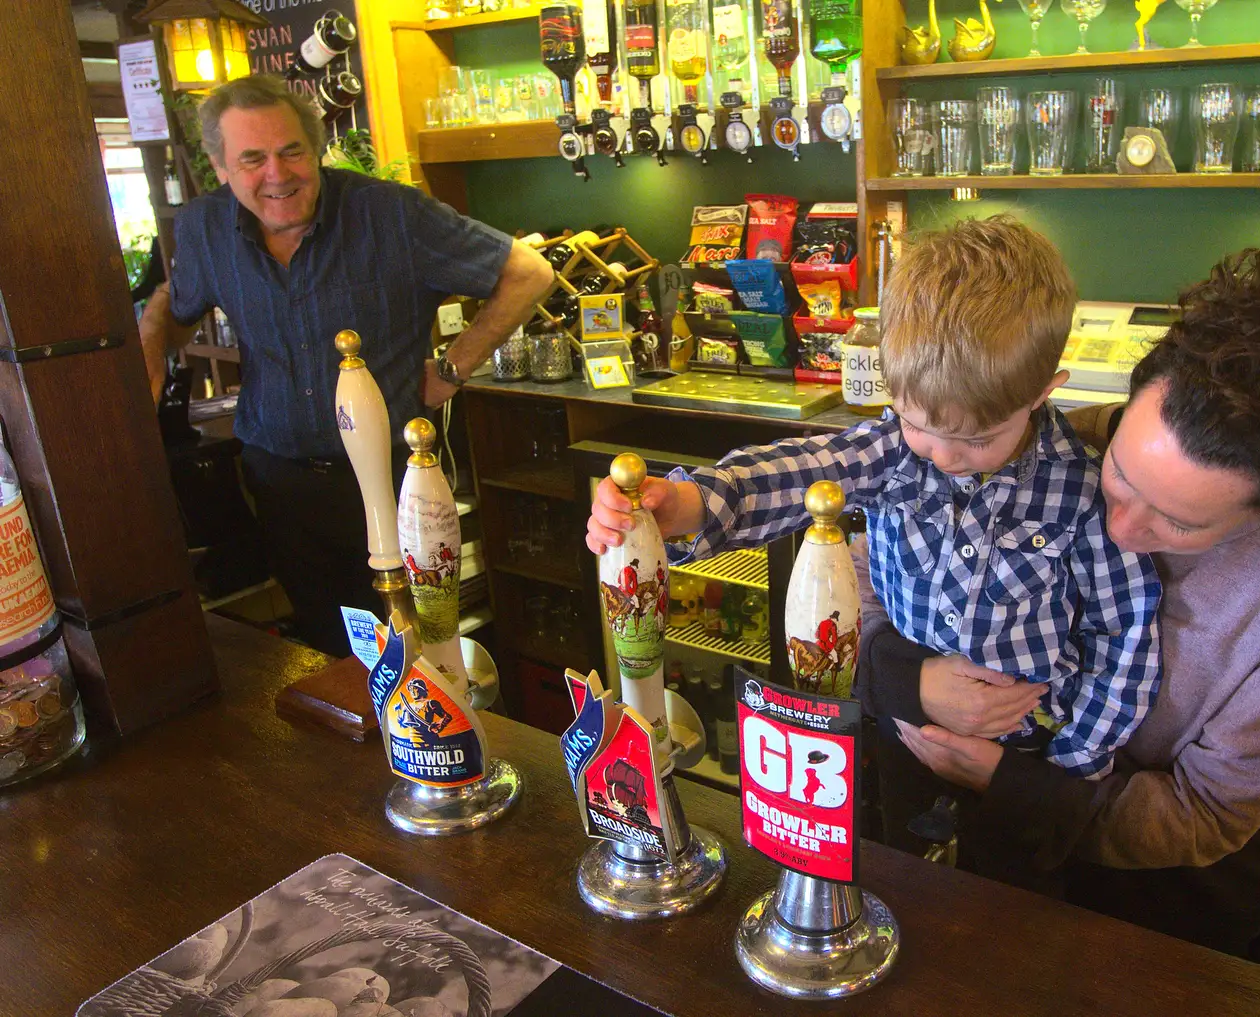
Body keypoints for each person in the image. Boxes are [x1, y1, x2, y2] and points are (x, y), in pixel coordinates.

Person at [863, 248, 1260, 956]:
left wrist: (1022, 788)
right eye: (1121, 477)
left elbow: (1213, 813)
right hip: (966, 847)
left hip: (1158, 905)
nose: (1123, 528)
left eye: (1180, 524)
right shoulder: (1045, 440)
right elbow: (868, 579)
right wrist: (901, 675)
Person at [589, 215, 1161, 780]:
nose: (940, 455)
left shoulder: (1084, 491)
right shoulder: (895, 451)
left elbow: (1125, 638)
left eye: (976, 439)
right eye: (916, 423)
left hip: (1024, 759)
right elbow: (801, 471)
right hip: (899, 731)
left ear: (1042, 393)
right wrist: (690, 505)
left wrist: (1065, 772)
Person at [137, 75, 553, 655]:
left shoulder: (391, 215)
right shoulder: (207, 228)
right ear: (220, 166)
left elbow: (530, 273)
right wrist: (151, 341)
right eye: (252, 159)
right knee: (326, 649)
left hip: (388, 479)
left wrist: (453, 368)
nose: (277, 175)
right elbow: (175, 309)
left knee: (419, 651)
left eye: (291, 152)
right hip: (277, 482)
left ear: (316, 149)